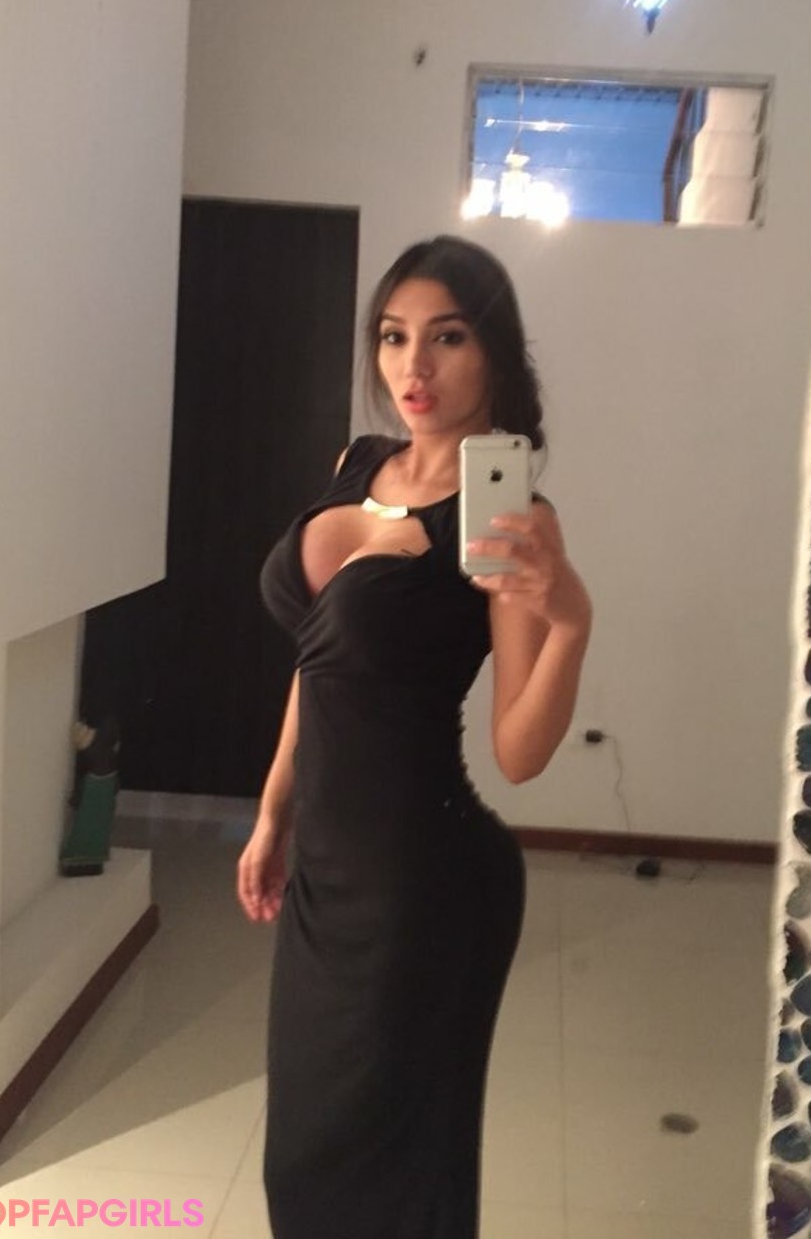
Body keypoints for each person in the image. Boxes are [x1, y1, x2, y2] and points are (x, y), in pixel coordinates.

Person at [237, 234, 591, 1239]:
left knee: (391, 1177)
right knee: (302, 1161)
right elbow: (320, 663)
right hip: (327, 875)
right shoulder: (356, 463)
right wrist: (273, 811)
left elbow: (519, 752)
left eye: (448, 337)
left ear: (495, 353)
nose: (413, 365)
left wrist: (570, 621)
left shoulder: (509, 517)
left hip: (422, 885)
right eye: (394, 337)